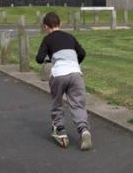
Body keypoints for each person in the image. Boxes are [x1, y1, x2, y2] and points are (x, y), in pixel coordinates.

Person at [36, 12, 92, 151]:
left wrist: (49, 59)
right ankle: (84, 129)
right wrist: (75, 63)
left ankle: (60, 129)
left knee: (57, 102)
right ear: (60, 24)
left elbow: (39, 58)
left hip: (59, 74)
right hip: (75, 73)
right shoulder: (70, 37)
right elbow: (82, 53)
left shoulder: (47, 39)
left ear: (45, 26)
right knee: (78, 104)